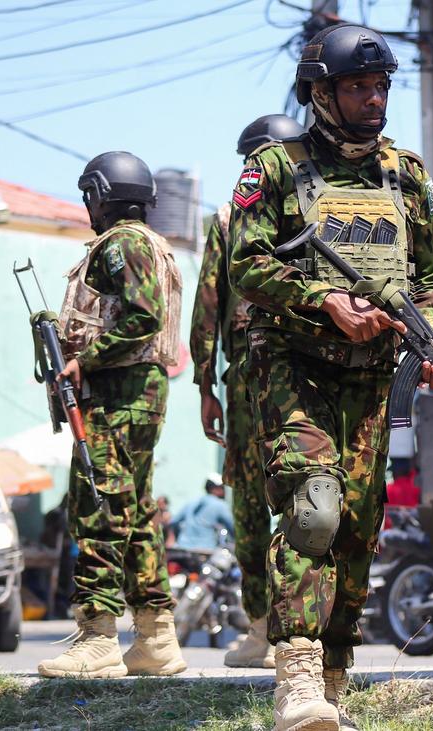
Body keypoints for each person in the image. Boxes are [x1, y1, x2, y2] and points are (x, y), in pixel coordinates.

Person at [228, 24, 433, 731]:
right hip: (294, 370)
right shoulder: (275, 166)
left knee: (357, 531)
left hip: (372, 378)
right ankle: (294, 677)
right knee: (314, 510)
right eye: (358, 86)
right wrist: (322, 300)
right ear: (321, 92)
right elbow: (246, 262)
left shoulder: (407, 176)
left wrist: (432, 338)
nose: (373, 98)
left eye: (381, 86)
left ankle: (332, 681)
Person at [36, 151, 187, 679]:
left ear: (101, 195)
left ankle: (98, 634)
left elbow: (142, 316)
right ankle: (155, 637)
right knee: (136, 510)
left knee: (98, 504)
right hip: (138, 390)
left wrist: (83, 359)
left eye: (89, 197)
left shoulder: (122, 244)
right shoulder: (153, 245)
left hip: (121, 392)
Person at [190, 113, 306, 669]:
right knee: (297, 498)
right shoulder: (320, 210)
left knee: (262, 507)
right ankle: (290, 634)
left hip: (253, 378)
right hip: (300, 378)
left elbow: (208, 306)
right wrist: (204, 382)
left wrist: (203, 384)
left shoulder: (232, 215)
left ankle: (268, 632)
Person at [170, 475, 237, 551]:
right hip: (205, 551)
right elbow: (233, 528)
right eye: (223, 488)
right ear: (216, 488)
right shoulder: (220, 505)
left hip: (183, 548)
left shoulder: (191, 503)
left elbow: (173, 522)